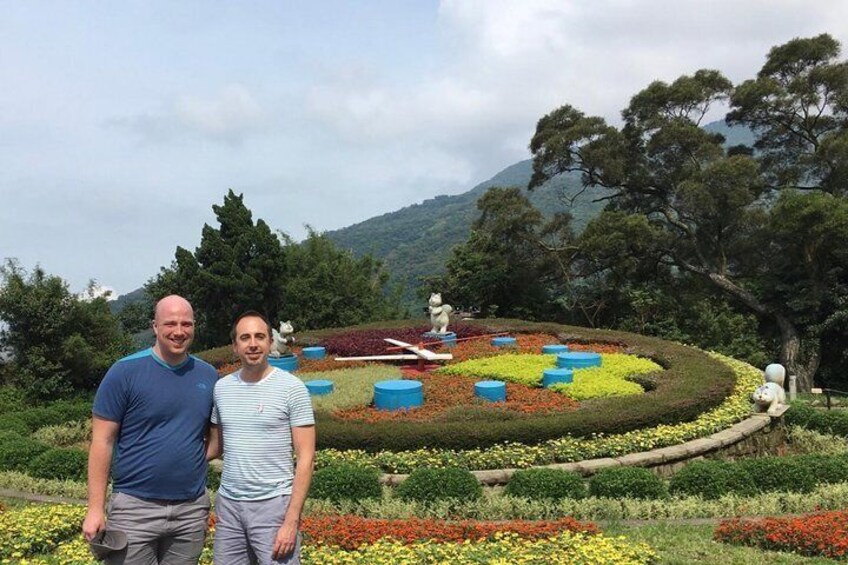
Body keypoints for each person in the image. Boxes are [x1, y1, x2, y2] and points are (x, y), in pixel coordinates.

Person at [82, 295, 218, 564]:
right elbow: (102, 441)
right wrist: (95, 509)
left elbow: (217, 440)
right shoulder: (124, 372)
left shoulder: (208, 375)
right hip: (134, 508)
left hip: (190, 510)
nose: (179, 332)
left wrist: (186, 460)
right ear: (154, 326)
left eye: (186, 324)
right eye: (170, 323)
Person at [206, 311, 315, 565]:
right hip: (229, 506)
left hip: (273, 507)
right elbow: (215, 446)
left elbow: (306, 459)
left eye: (259, 337)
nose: (252, 344)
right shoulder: (221, 389)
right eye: (245, 338)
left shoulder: (292, 389)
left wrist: (291, 521)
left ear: (269, 342)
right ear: (235, 346)